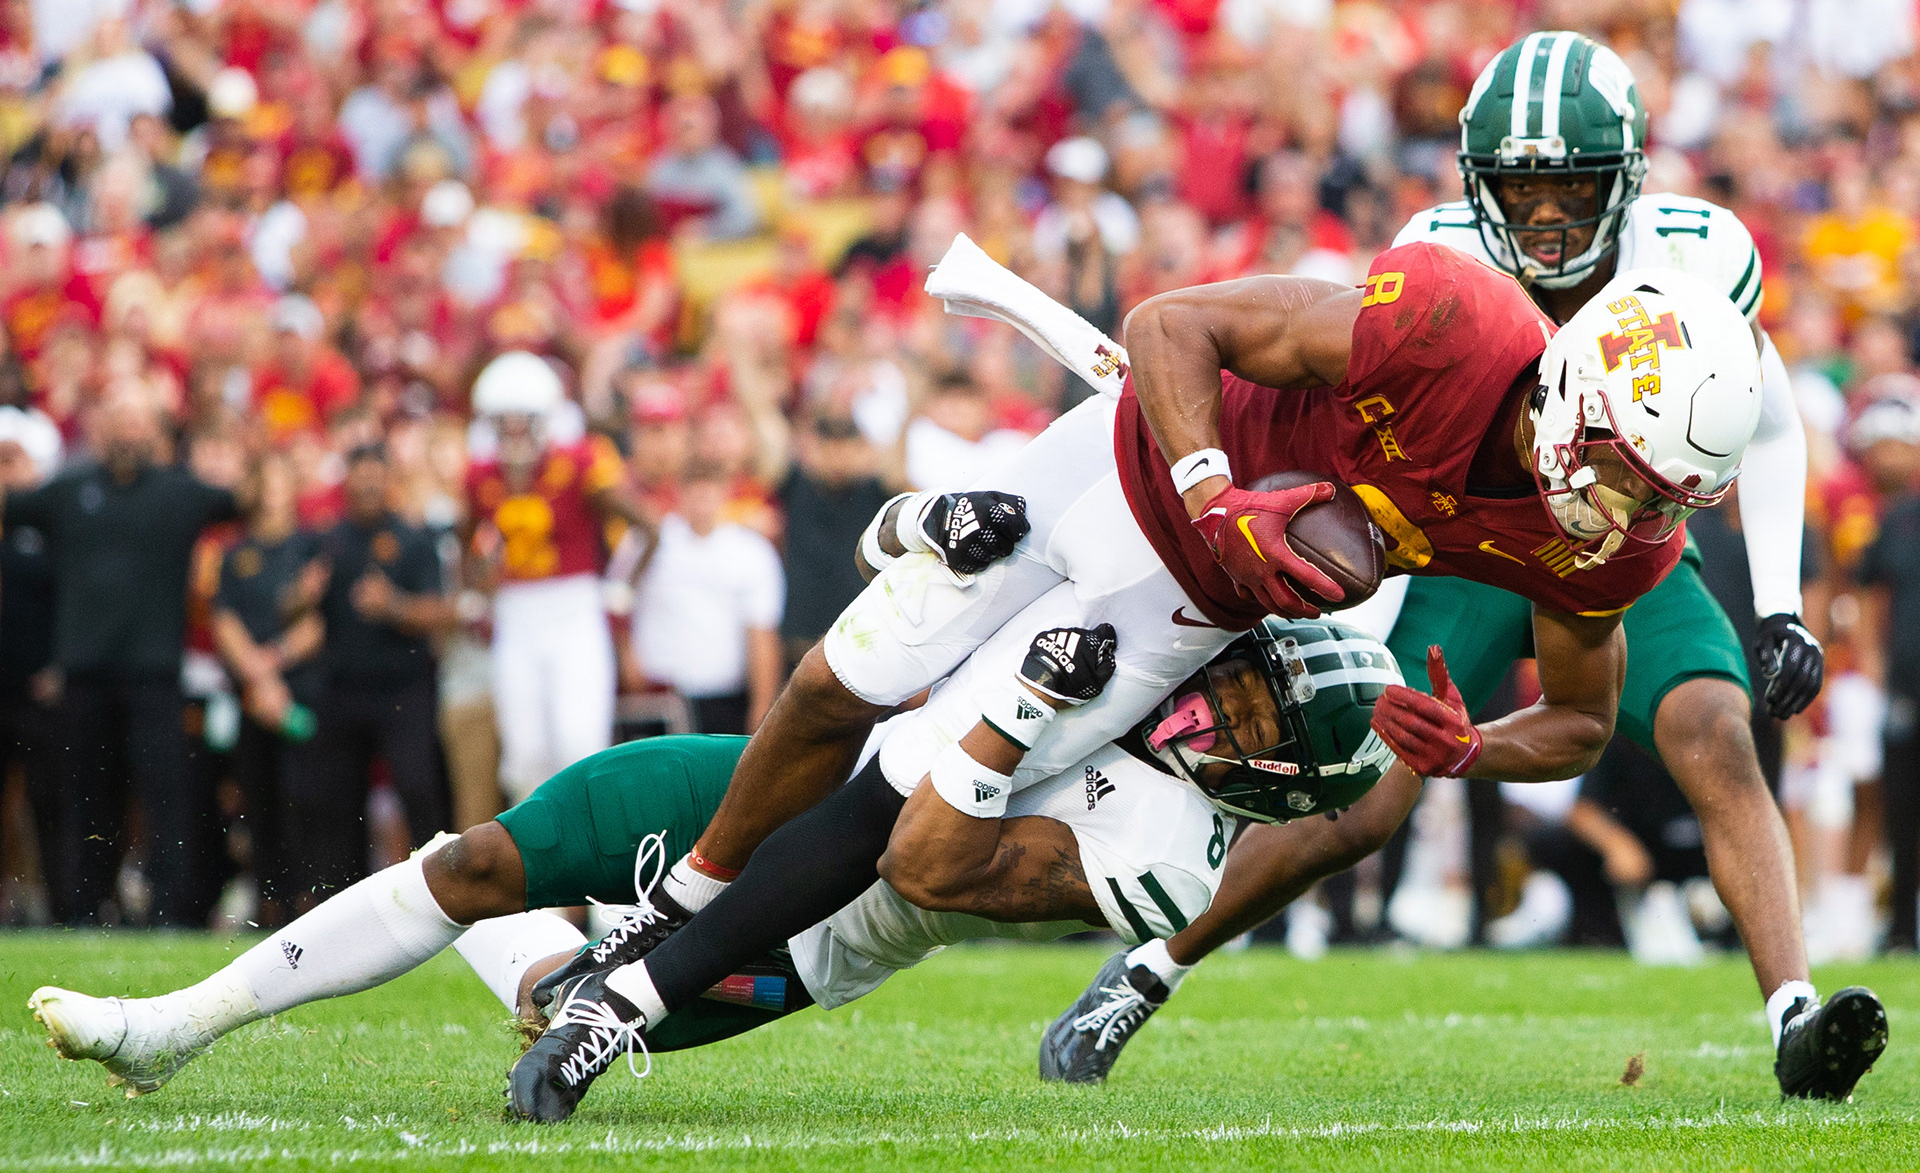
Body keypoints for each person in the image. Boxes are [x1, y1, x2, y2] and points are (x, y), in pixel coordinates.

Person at [490, 217, 1769, 1117]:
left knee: (900, 789)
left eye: (1663, 496)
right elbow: (1172, 324)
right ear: (1578, 399)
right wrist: (1218, 492)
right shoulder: (1446, 321)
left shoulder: (1606, 545)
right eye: (1625, 474)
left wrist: (1477, 748)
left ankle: (630, 1002)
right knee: (839, 682)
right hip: (1122, 467)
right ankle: (684, 895)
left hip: (1194, 602)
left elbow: (1587, 720)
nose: (1630, 514)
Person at [1040, 31, 1884, 1104]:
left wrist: (1779, 601)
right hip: (1459, 529)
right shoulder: (1440, 256)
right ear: (1476, 184)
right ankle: (1146, 973)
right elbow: (1354, 423)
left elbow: (1764, 419)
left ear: (1626, 180)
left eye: (1569, 186)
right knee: (1365, 796)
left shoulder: (1699, 252)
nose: (1543, 218)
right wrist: (1349, 622)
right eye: (1519, 191)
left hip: (1616, 529)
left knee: (1715, 731)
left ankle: (1795, 1018)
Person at [24, 618, 1396, 1105]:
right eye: (1249, 679)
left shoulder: (1164, 862)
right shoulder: (1163, 641)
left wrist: (1026, 708)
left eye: (1264, 719)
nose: (1228, 704)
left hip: (812, 928)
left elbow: (924, 860)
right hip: (775, 775)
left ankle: (570, 964)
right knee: (479, 855)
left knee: (552, 997)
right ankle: (173, 1026)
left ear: (1278, 777)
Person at [2, 392, 242, 925]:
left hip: (155, 672)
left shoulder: (181, 493)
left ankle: (170, 911)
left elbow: (248, 499)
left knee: (164, 795)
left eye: (137, 421)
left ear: (157, 431)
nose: (127, 433)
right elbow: (11, 505)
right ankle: (82, 909)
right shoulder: (70, 490)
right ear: (99, 431)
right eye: (117, 421)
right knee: (86, 795)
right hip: (84, 673)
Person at [466, 352, 651, 805]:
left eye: (522, 421)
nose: (512, 433)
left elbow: (647, 528)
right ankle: (537, 863)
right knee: (524, 754)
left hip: (574, 608)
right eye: (502, 422)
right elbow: (466, 544)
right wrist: (477, 591)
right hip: (516, 612)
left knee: (579, 743)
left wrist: (620, 588)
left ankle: (595, 857)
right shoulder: (478, 476)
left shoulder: (580, 463)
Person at [287, 442, 455, 898]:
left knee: (419, 792)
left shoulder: (414, 539)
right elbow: (290, 611)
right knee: (334, 806)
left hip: (404, 688)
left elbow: (442, 612)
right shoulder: (328, 541)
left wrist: (393, 605)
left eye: (374, 480)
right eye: (358, 481)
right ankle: (336, 904)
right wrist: (302, 595)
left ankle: (440, 898)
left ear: (389, 483)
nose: (366, 489)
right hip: (341, 688)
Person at [210, 453, 323, 928]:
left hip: (301, 690)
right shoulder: (236, 553)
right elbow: (224, 618)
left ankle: (307, 898)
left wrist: (272, 664)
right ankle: (268, 899)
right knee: (258, 798)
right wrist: (256, 675)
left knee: (305, 797)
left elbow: (317, 620)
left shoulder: (311, 546)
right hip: (252, 695)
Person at [625, 462, 785, 735]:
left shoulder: (750, 552)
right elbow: (618, 601)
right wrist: (626, 657)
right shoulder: (647, 542)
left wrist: (761, 712)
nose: (702, 500)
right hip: (658, 696)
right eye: (694, 489)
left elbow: (762, 633)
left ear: (726, 493)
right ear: (679, 492)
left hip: (723, 697)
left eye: (709, 490)